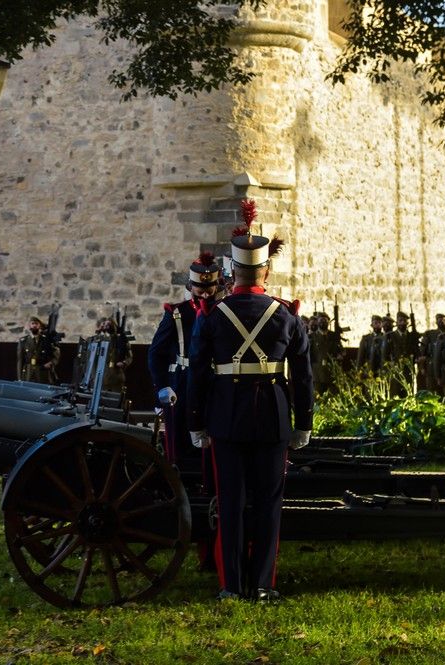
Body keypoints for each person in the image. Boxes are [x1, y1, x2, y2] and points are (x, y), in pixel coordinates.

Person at [186, 201, 313, 602]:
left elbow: (197, 374)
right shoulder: (287, 316)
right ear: (266, 272)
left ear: (232, 274)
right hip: (273, 418)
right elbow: (304, 376)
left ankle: (230, 586)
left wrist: (195, 422)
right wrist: (304, 423)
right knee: (268, 505)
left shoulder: (211, 315)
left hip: (225, 419)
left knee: (231, 502)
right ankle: (262, 584)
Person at [148, 251, 221, 466]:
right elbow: (156, 353)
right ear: (191, 287)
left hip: (213, 381)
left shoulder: (222, 312)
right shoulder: (176, 313)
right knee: (181, 439)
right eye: (201, 290)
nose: (206, 295)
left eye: (210, 290)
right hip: (183, 382)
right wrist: (161, 386)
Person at [382, 311, 419, 394]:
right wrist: (387, 369)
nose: (402, 323)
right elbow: (384, 355)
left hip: (408, 370)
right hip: (395, 370)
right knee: (394, 394)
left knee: (408, 393)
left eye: (404, 321)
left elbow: (416, 351)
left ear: (407, 323)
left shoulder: (412, 336)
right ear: (397, 322)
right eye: (400, 321)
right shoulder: (390, 336)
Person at [17, 316, 59, 384]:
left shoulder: (46, 340)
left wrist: (51, 363)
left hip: (42, 372)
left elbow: (55, 354)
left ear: (40, 326)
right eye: (32, 323)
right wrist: (19, 378)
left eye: (36, 324)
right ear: (29, 326)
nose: (34, 325)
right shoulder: (23, 341)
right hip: (28, 373)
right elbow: (20, 360)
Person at [419, 314, 445, 393]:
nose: (441, 321)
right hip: (431, 367)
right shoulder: (430, 334)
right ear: (436, 322)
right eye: (439, 320)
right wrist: (422, 367)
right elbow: (422, 352)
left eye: (443, 320)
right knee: (431, 391)